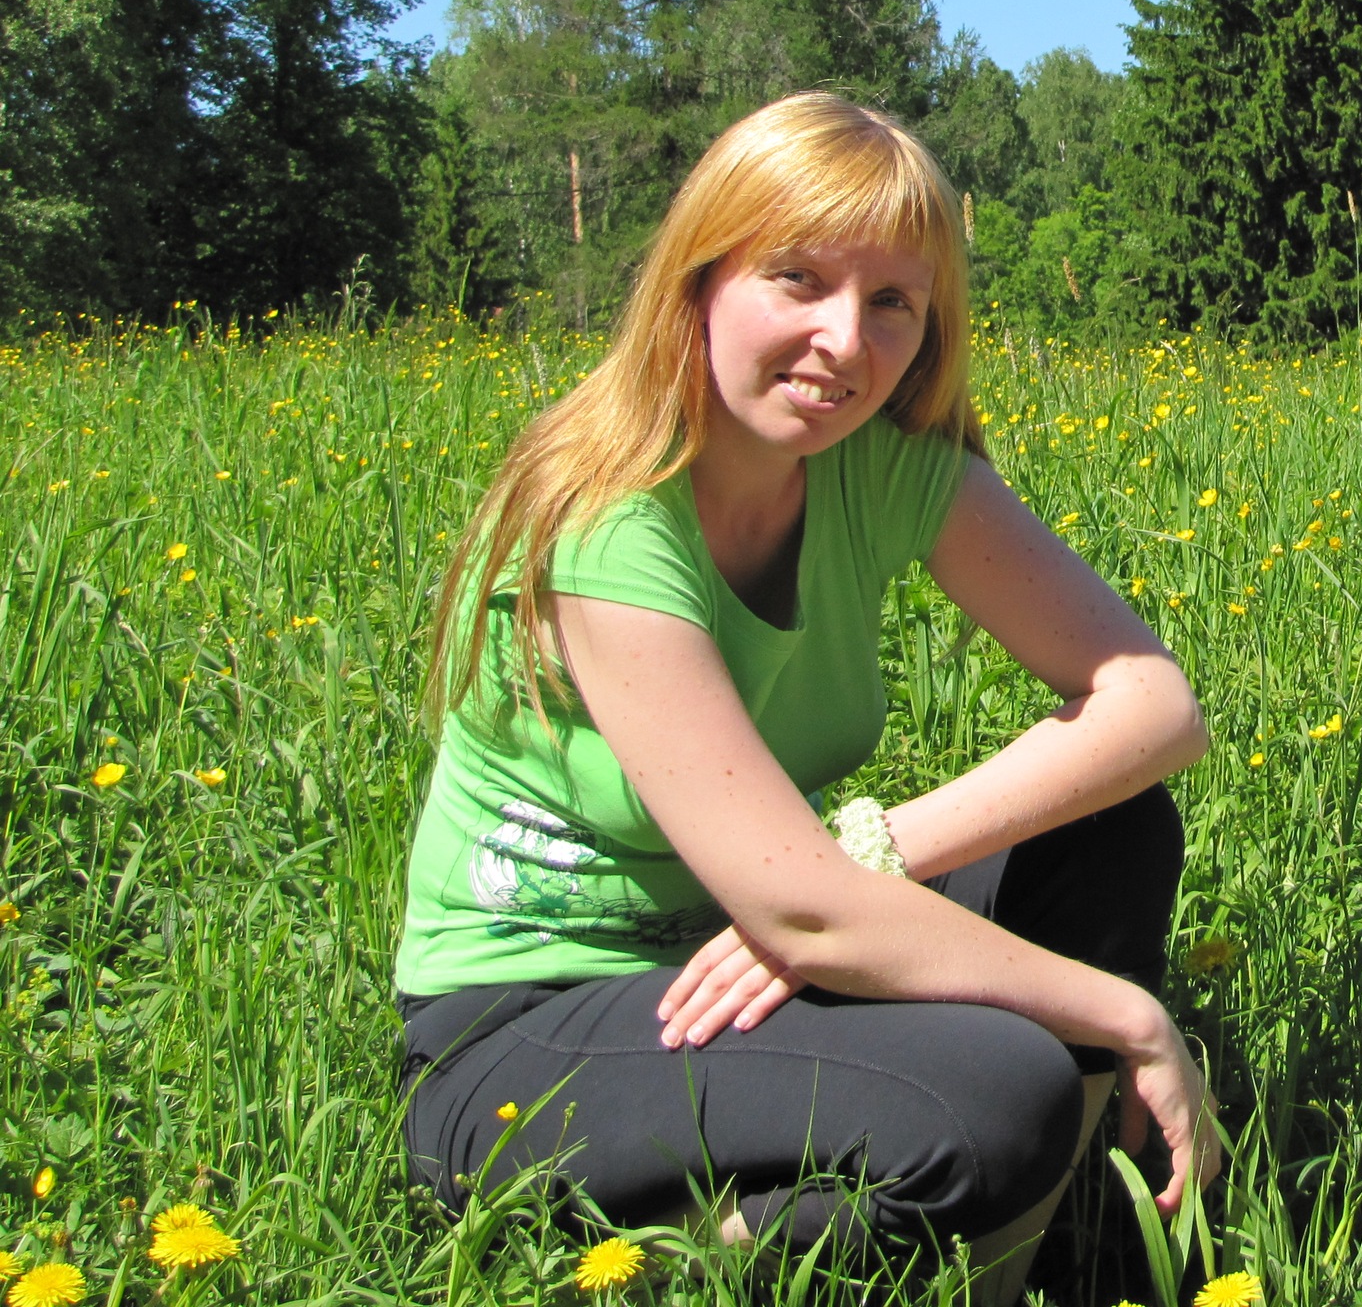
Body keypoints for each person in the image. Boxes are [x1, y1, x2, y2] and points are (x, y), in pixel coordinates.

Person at [393, 93, 1216, 1296]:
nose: (845, 339)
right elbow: (803, 912)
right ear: (700, 278)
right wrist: (1126, 1015)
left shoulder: (876, 467)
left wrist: (874, 854)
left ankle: (1055, 1240)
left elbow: (1152, 704)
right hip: (527, 1029)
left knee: (1109, 827)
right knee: (1002, 1088)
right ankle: (644, 1264)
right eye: (798, 279)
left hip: (746, 959)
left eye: (891, 302)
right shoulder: (610, 521)